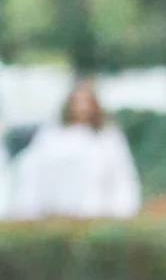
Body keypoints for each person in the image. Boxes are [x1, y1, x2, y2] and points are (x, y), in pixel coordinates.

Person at [9, 79, 141, 221]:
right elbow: (34, 173)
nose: (81, 107)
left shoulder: (106, 138)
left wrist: (120, 211)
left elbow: (121, 176)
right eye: (77, 102)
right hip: (54, 215)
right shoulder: (51, 136)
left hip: (95, 215)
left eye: (86, 102)